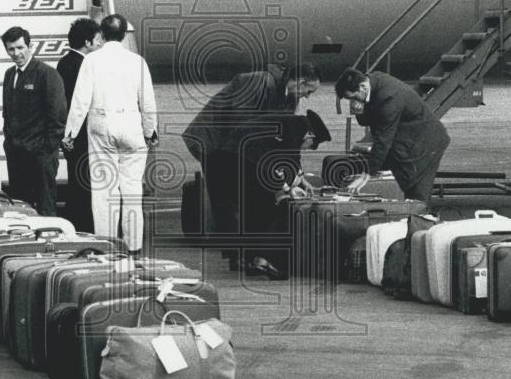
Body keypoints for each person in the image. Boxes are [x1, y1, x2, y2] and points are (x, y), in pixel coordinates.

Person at [181, 62, 320, 263]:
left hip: (237, 146)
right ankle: (236, 255)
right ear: (300, 81)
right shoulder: (257, 82)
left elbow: (286, 143)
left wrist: (297, 177)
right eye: (309, 90)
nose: (308, 96)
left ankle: (244, 252)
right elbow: (241, 126)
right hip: (213, 141)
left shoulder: (289, 98)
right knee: (226, 197)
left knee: (247, 193)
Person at [62, 14, 157, 255]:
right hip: (131, 127)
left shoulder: (92, 61)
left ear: (102, 35)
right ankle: (133, 245)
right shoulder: (138, 62)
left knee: (105, 191)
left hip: (102, 126)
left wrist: (70, 133)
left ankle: (107, 243)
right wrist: (150, 131)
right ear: (124, 34)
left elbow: (80, 101)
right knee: (132, 190)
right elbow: (147, 102)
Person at [237, 109, 332, 279]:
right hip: (249, 156)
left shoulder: (294, 127)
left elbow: (293, 159)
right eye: (311, 145)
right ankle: (266, 259)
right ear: (310, 136)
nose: (308, 148)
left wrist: (302, 180)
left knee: (257, 207)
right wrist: (287, 190)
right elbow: (273, 166)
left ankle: (253, 259)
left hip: (242, 153)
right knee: (277, 209)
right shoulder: (294, 131)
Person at [334, 68, 450, 205]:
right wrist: (359, 111)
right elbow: (367, 121)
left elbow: (383, 140)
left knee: (416, 193)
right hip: (407, 139)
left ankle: (420, 218)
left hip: (425, 144)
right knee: (401, 182)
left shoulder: (389, 98)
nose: (353, 102)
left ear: (363, 86)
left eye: (353, 97)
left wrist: (367, 174)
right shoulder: (373, 80)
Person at [1, 26, 67, 216]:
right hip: (16, 153)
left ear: (30, 46)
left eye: (20, 47)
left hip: (40, 155)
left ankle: (49, 243)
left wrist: (47, 148)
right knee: (21, 207)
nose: (16, 53)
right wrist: (9, 142)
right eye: (11, 49)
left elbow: (58, 115)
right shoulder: (9, 75)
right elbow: (8, 113)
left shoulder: (47, 74)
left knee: (46, 207)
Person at [55, 17, 102, 232]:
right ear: (88, 42)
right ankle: (88, 227)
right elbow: (81, 103)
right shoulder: (85, 65)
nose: (100, 44)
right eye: (97, 39)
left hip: (72, 136)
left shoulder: (63, 63)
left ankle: (78, 226)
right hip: (84, 136)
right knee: (88, 186)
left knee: (77, 184)